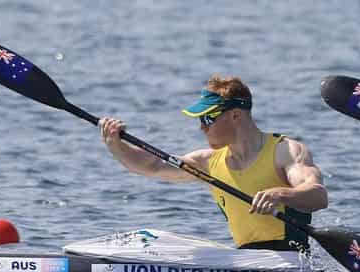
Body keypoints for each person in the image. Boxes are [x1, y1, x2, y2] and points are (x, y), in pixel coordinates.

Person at [99, 75, 328, 252]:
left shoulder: (284, 151)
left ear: (235, 116)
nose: (202, 127)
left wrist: (280, 194)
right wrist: (116, 145)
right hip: (248, 261)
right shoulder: (208, 162)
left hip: (290, 259)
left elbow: (318, 195)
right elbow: (152, 166)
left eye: (207, 118)